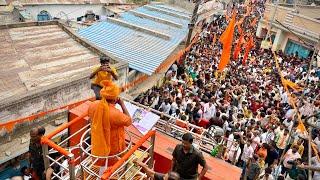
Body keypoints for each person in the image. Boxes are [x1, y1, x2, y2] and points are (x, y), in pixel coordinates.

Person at [88, 80, 132, 175]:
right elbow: (129, 121)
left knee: (102, 165)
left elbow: (90, 117)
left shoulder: (93, 105)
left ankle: (101, 174)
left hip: (97, 142)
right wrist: (122, 104)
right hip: (112, 146)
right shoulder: (115, 114)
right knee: (110, 168)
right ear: (115, 98)